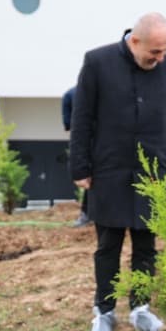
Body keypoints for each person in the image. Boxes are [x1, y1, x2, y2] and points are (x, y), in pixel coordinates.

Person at [70, 11, 166, 331]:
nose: (160, 58)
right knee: (108, 245)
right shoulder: (97, 63)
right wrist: (80, 168)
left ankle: (141, 308)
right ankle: (104, 312)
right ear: (134, 41)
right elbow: (82, 119)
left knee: (146, 246)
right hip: (108, 171)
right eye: (154, 52)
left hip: (153, 172)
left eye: (164, 51)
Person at [62, 85, 89, 227]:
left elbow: (68, 126)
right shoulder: (107, 90)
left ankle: (87, 216)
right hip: (107, 142)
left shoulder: (70, 94)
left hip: (84, 143)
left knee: (91, 182)